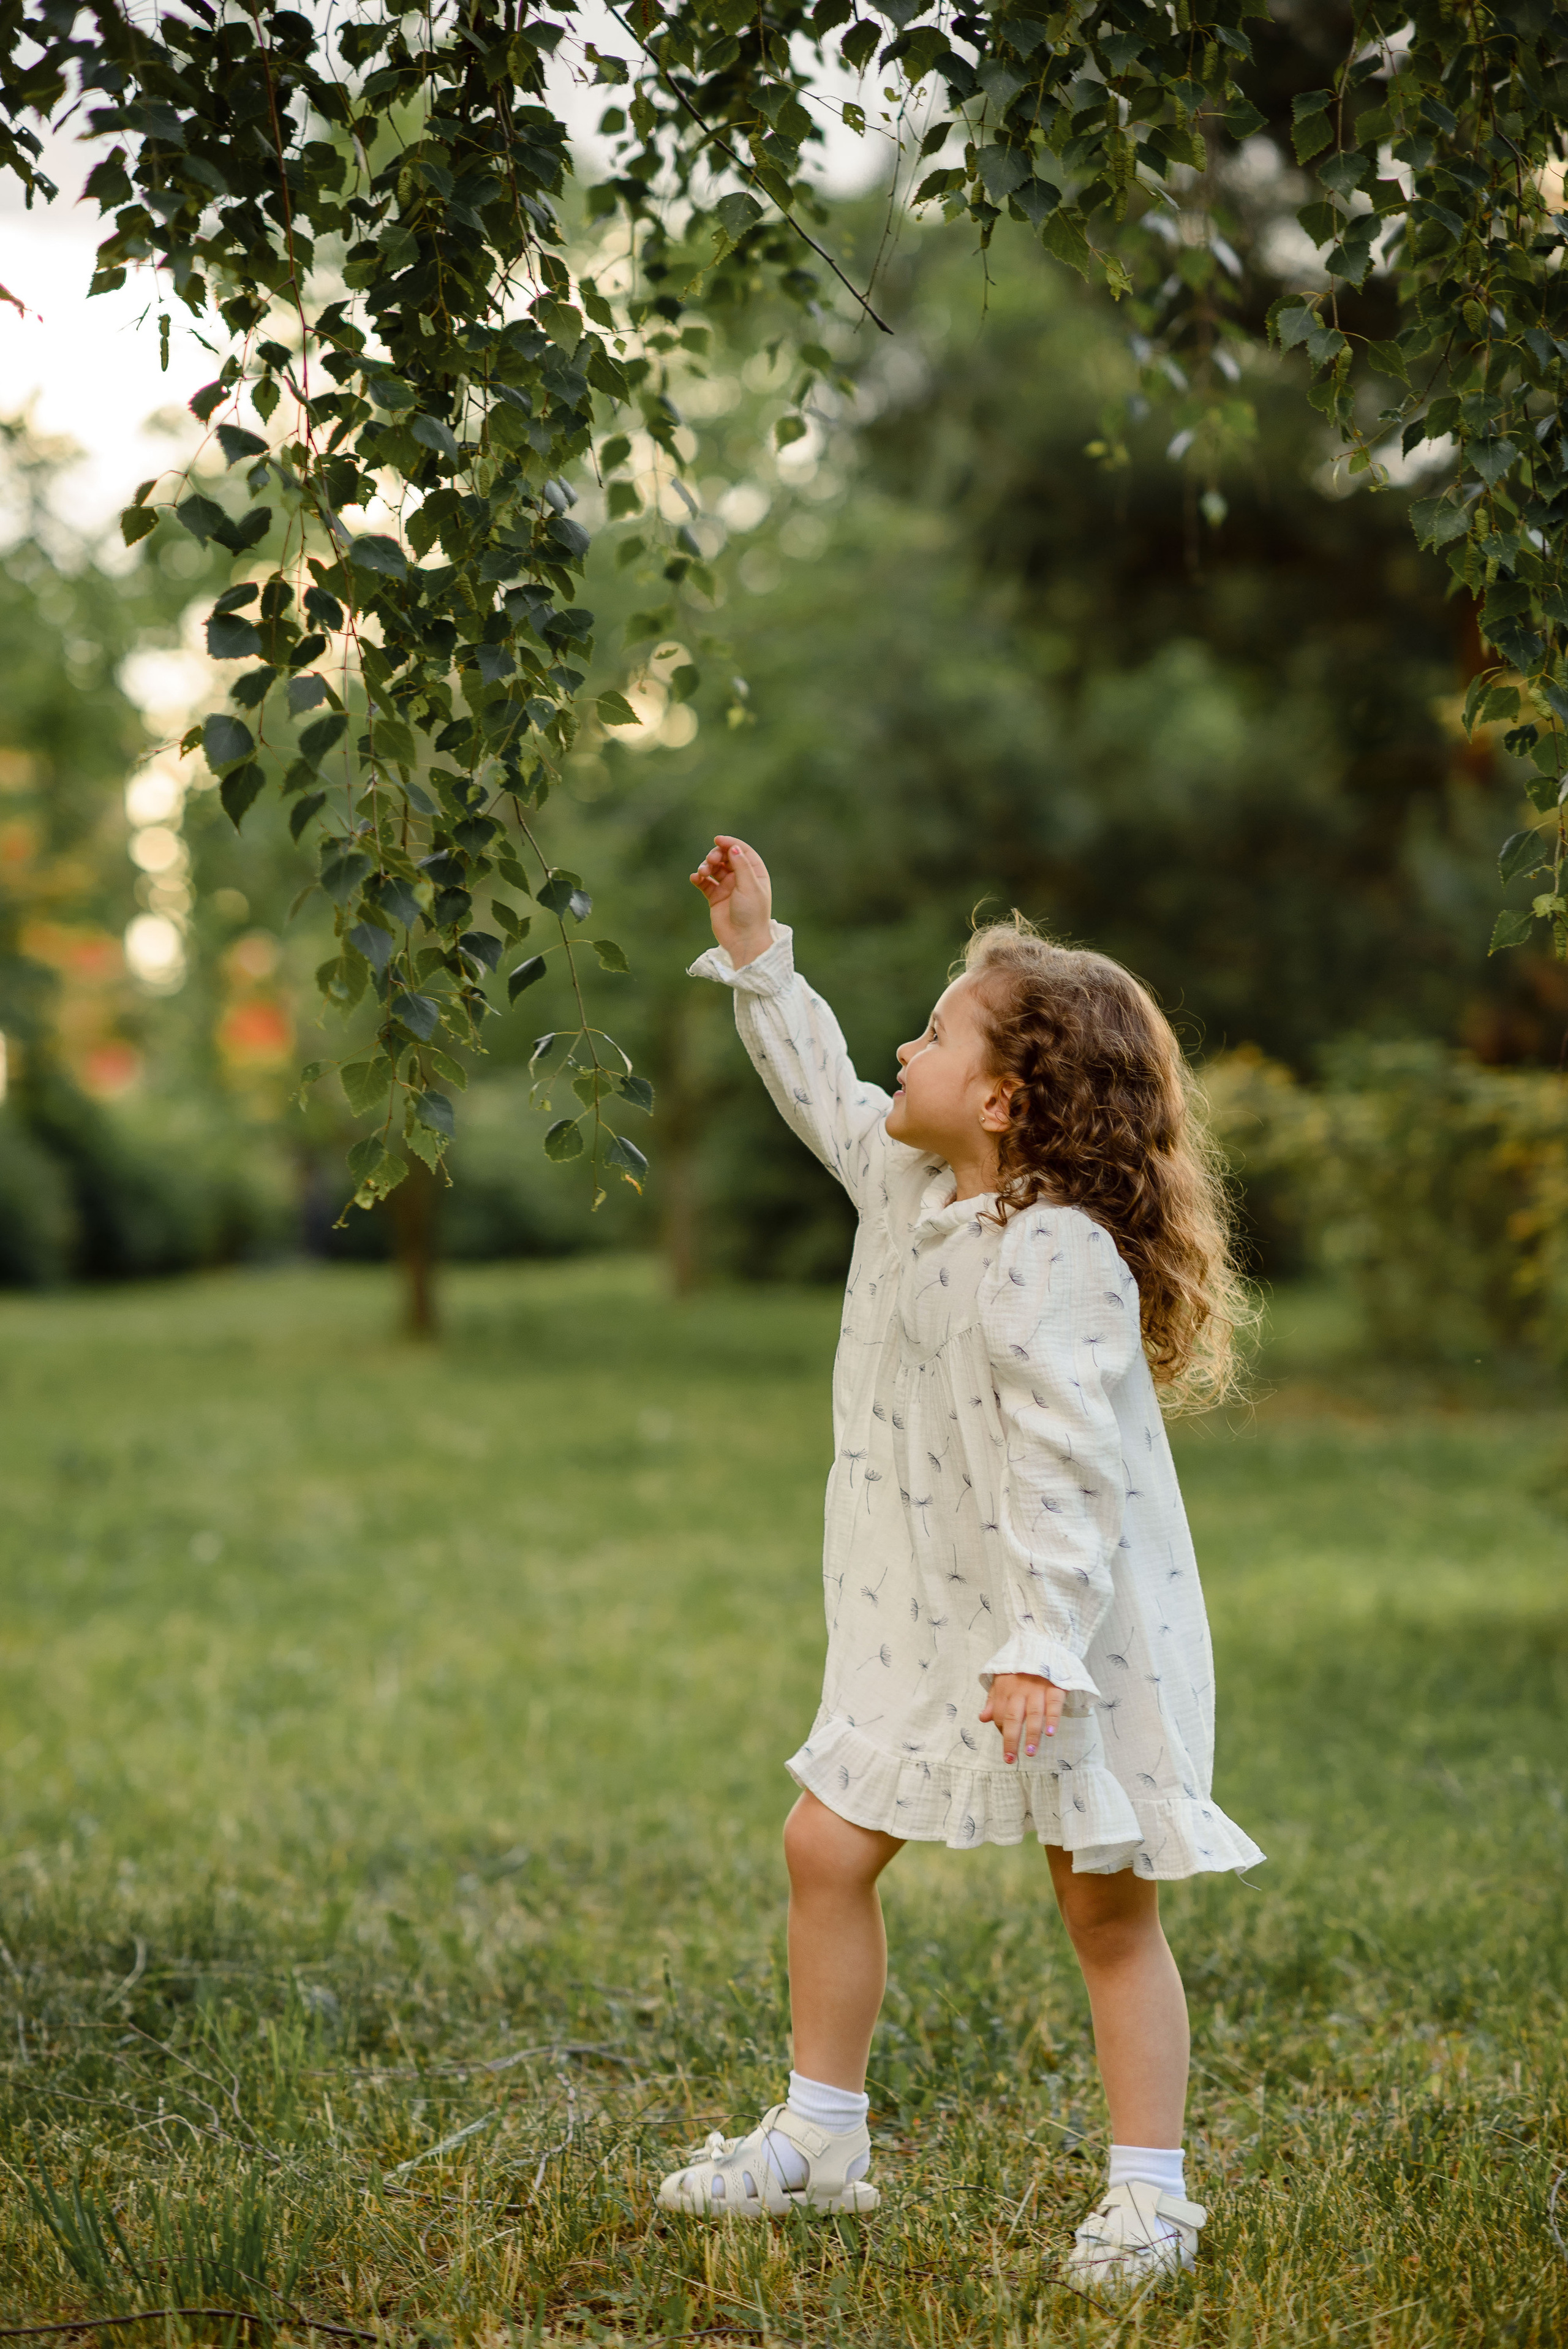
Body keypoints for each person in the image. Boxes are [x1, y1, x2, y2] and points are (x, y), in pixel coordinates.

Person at [660, 834, 1264, 2296]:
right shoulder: (915, 1192)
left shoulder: (1055, 1253)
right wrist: (757, 952)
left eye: (931, 1034)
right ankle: (822, 2136)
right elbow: (823, 1092)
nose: (899, 1048)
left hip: (1053, 1630)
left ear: (998, 1099)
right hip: (923, 1609)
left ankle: (1150, 2197)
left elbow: (1073, 1475)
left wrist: (1038, 1648)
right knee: (825, 1843)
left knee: (1103, 1903)